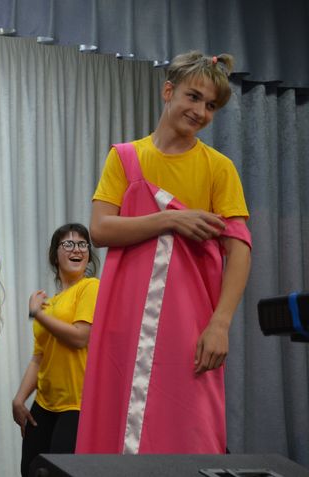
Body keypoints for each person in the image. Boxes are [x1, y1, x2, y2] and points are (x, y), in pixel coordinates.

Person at [76, 51, 252, 454]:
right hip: (124, 317)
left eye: (211, 106)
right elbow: (100, 229)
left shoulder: (218, 167)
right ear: (168, 91)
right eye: (193, 97)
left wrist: (220, 324)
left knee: (189, 429)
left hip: (190, 324)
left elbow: (239, 249)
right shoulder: (125, 157)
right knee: (116, 421)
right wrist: (170, 219)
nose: (201, 112)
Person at [12, 223, 100, 476]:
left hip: (76, 404)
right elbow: (39, 358)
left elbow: (80, 337)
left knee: (59, 473)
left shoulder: (90, 287)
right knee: (30, 470)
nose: (77, 249)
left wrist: (37, 314)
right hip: (44, 404)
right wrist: (20, 398)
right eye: (68, 244)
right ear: (55, 255)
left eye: (82, 244)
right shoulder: (48, 304)